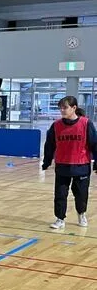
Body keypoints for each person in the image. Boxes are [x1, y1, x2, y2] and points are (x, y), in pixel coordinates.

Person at [42, 95, 97, 229]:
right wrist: (47, 161)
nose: (62, 110)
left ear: (74, 108)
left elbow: (95, 144)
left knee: (81, 194)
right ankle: (60, 219)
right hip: (62, 165)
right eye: (60, 108)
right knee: (60, 194)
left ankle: (81, 214)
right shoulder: (56, 125)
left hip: (81, 165)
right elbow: (49, 145)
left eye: (65, 107)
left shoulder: (86, 123)